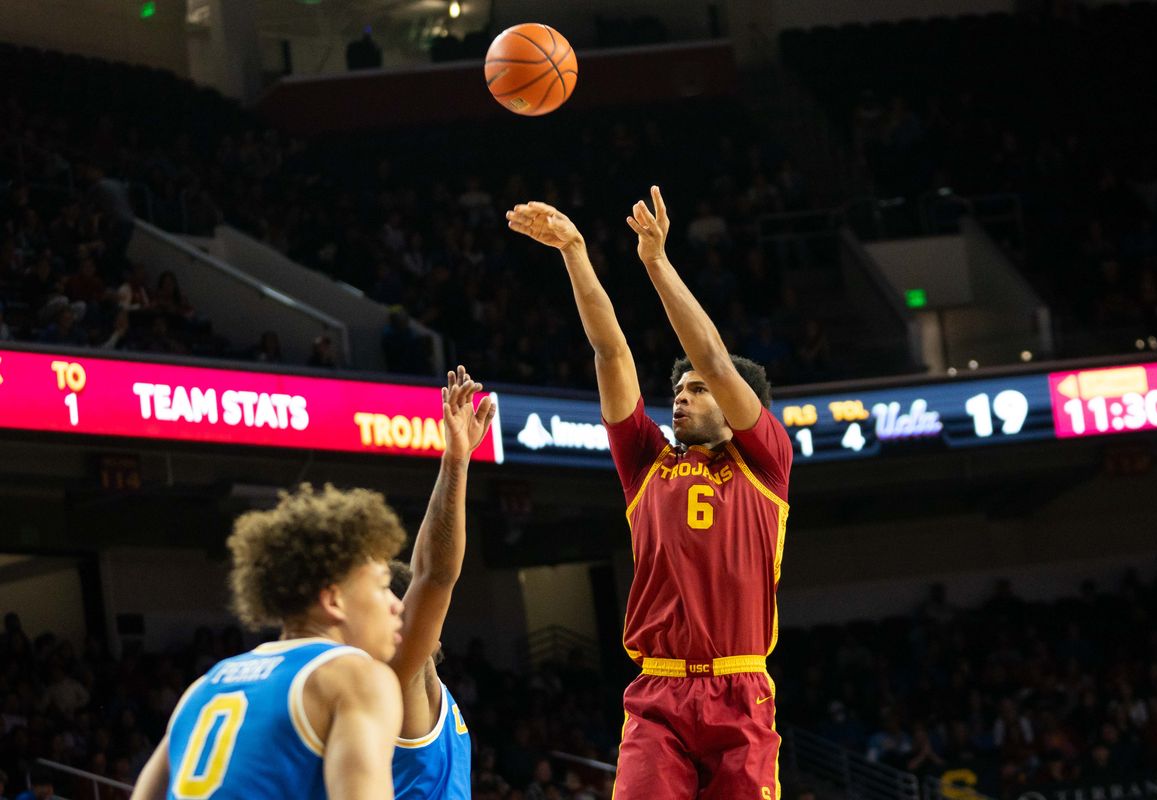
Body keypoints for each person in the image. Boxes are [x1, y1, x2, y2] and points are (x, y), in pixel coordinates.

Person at [507, 185, 792, 799]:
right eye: (679, 391)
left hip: (740, 690)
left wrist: (656, 262)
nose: (683, 397)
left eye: (699, 391)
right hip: (657, 693)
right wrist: (575, 251)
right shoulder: (645, 463)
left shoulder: (766, 463)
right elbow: (610, 350)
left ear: (745, 408)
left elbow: (714, 358)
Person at [129, 483, 407, 800]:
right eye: (383, 586)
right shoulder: (356, 677)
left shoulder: (204, 686)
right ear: (333, 600)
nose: (396, 604)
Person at [389, 366, 496, 799]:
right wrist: (455, 461)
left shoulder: (424, 681)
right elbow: (433, 576)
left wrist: (457, 458)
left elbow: (422, 569)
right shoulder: (398, 674)